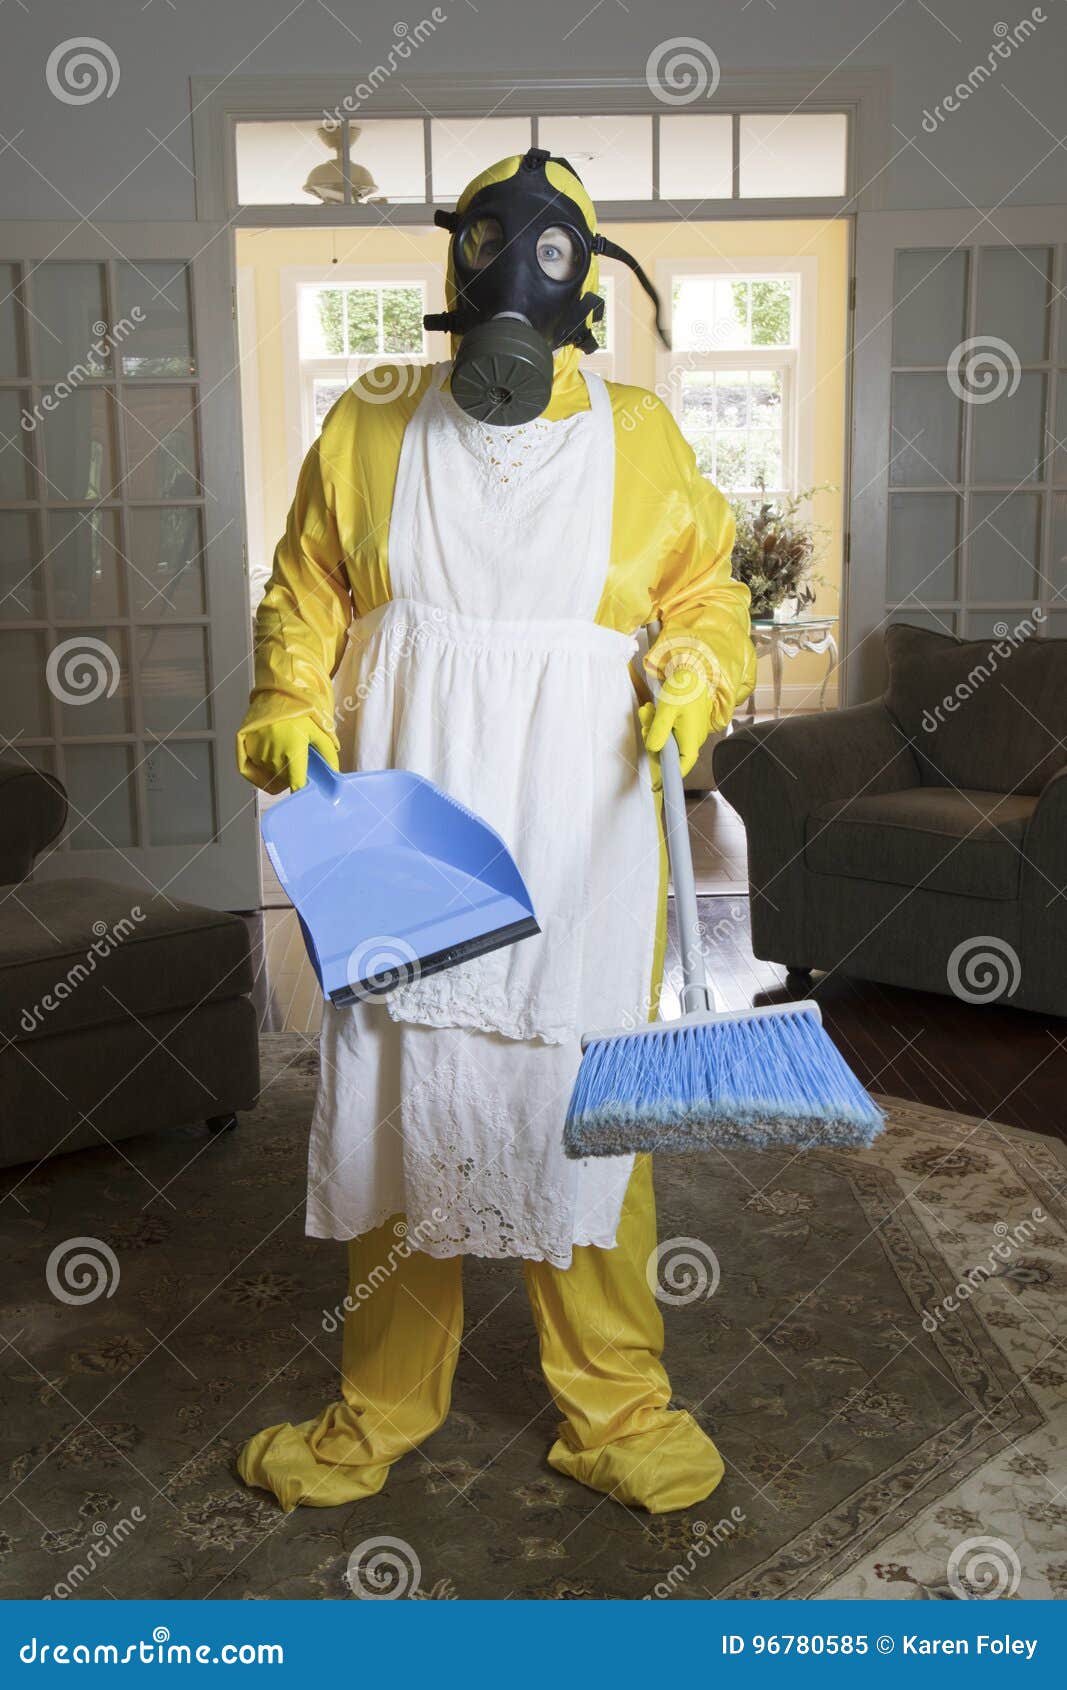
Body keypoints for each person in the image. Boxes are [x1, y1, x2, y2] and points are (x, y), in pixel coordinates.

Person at [234, 150, 754, 1515]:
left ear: (584, 279)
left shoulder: (642, 434)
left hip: (579, 825)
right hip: (413, 814)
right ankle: (380, 1405)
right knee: (407, 1099)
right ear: (457, 271)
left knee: (579, 1110)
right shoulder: (371, 419)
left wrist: (694, 680)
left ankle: (617, 1403)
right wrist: (289, 704)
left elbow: (707, 593)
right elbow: (306, 592)